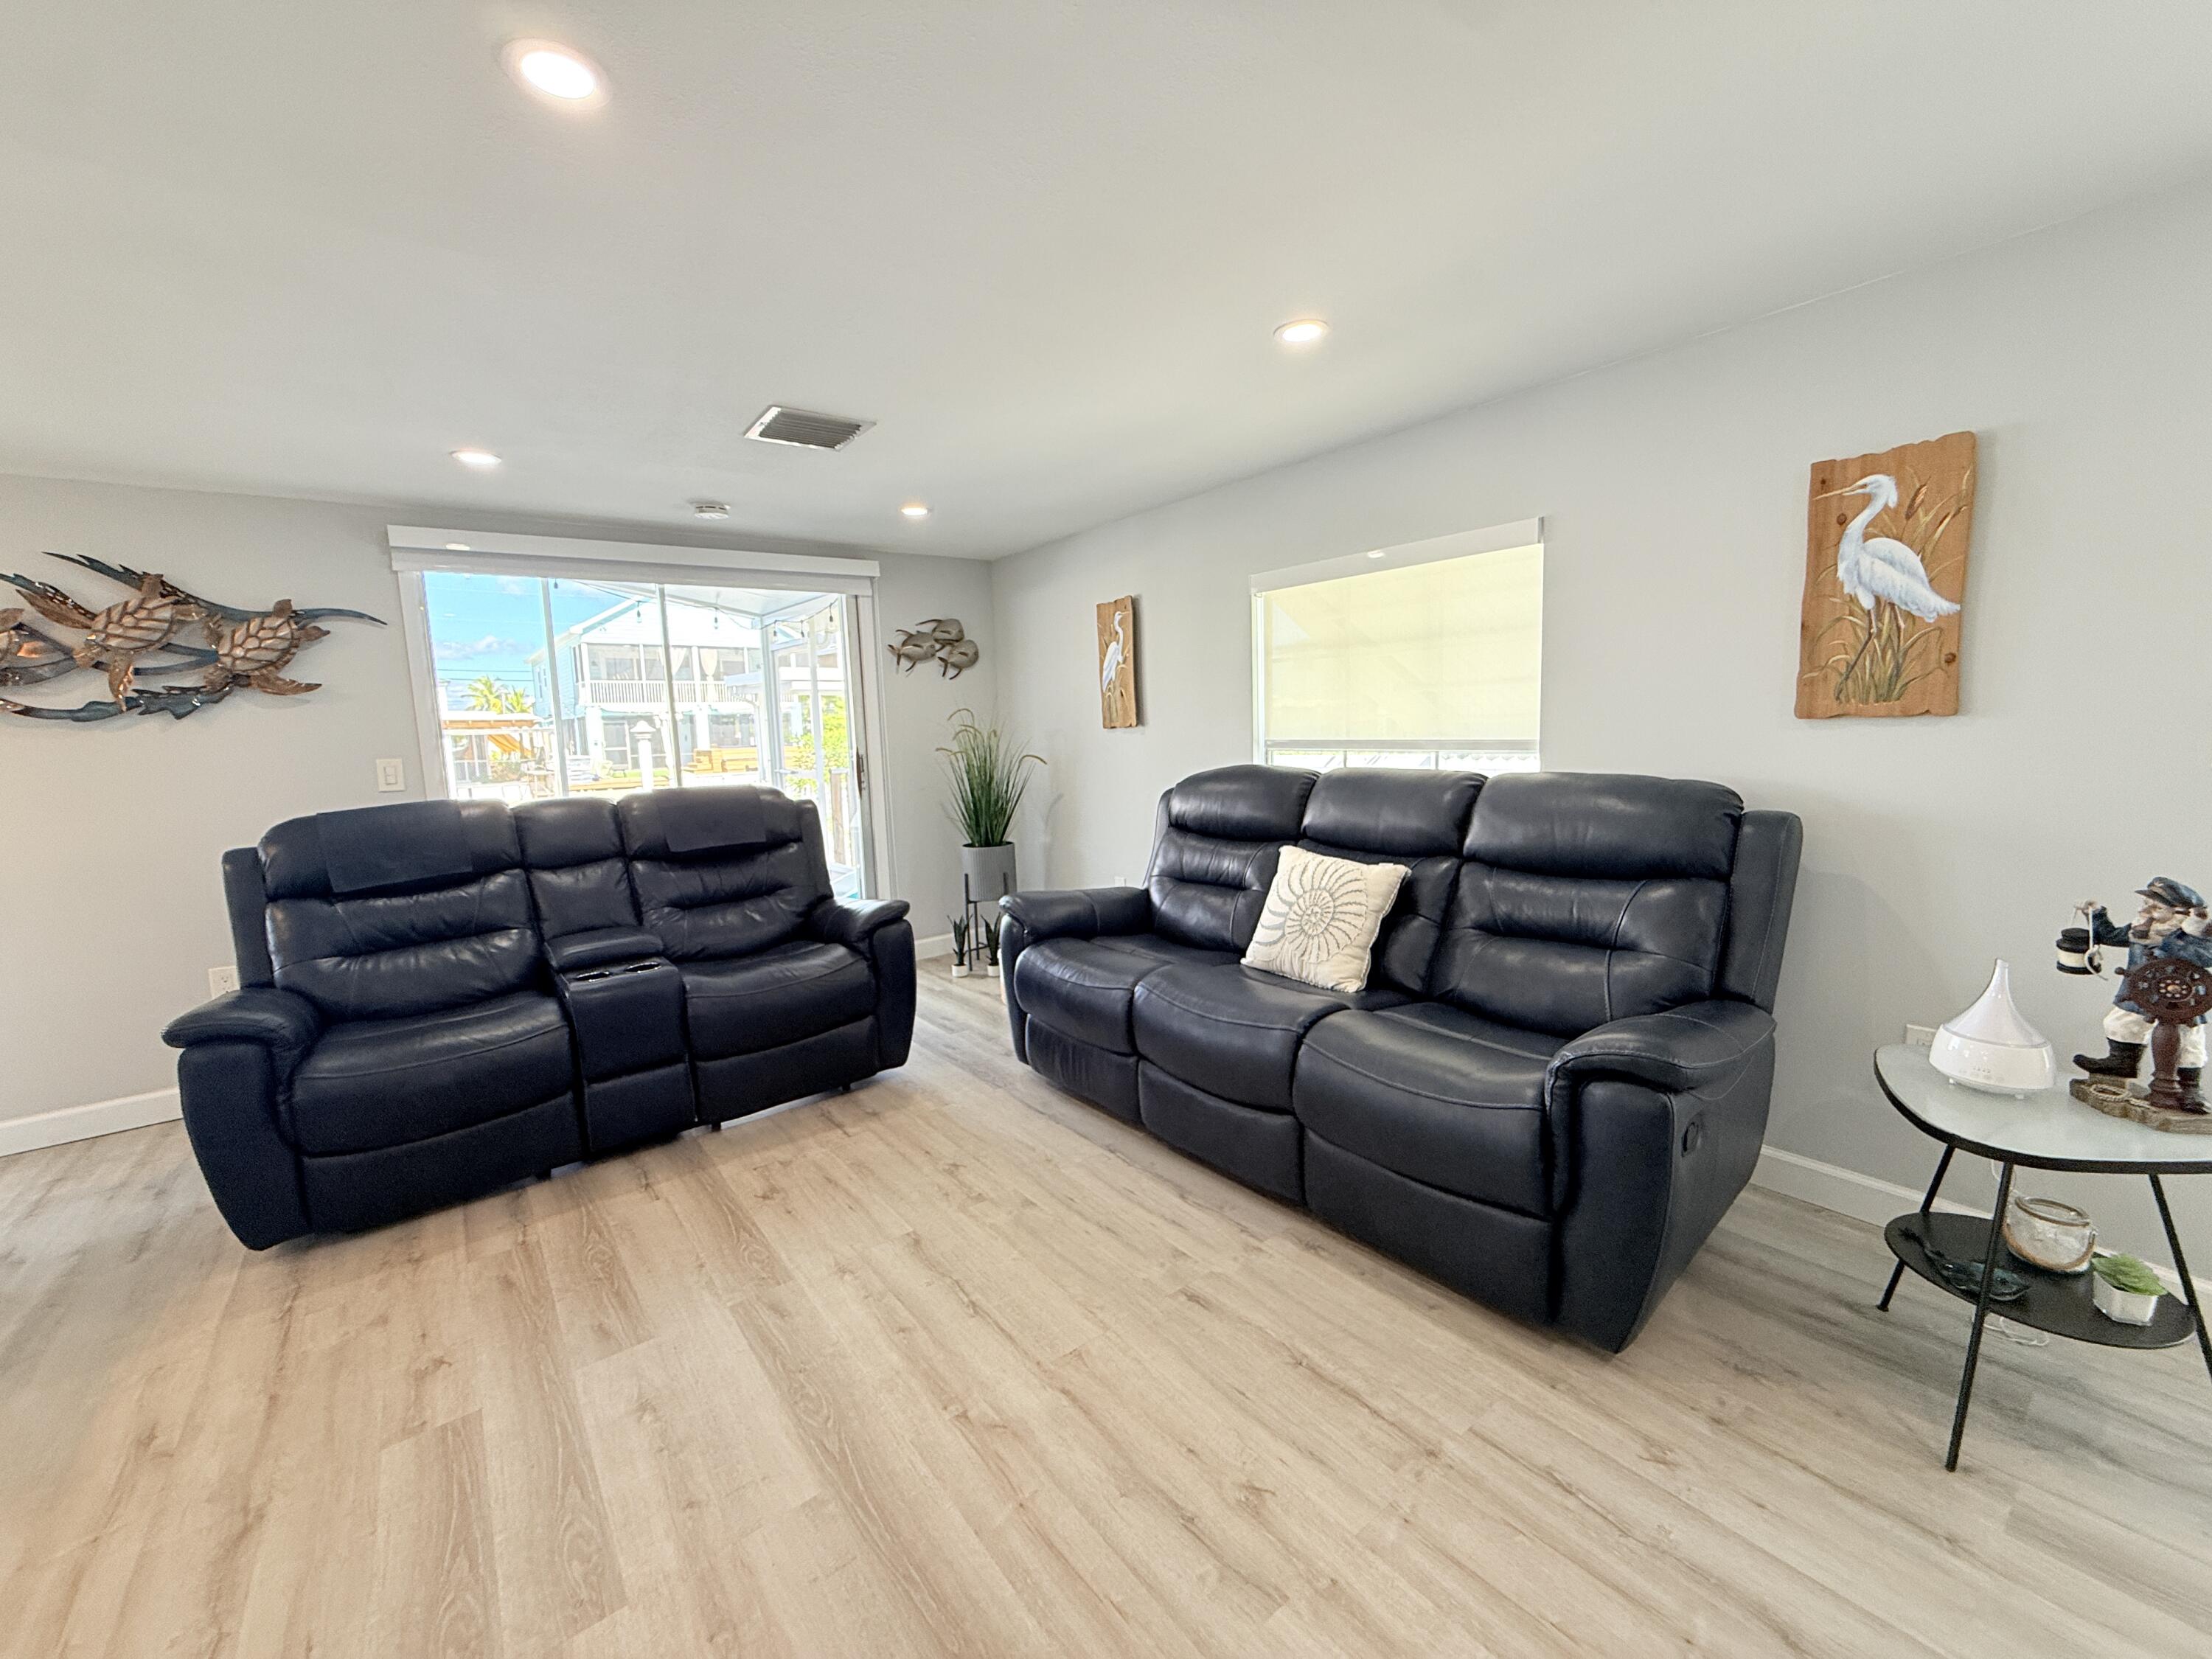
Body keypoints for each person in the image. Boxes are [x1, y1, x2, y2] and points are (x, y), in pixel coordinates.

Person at [2072, 877, 2212, 1085]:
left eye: (2156, 907)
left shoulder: (2197, 939)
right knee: (2121, 1023)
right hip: (2139, 993)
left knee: (2188, 1041)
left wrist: (2178, 935)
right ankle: (2122, 1063)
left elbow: (2201, 957)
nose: (2147, 911)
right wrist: (2096, 913)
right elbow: (2111, 936)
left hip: (2181, 1000)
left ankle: (2189, 1087)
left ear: (2181, 914)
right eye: (2146, 905)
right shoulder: (2143, 930)